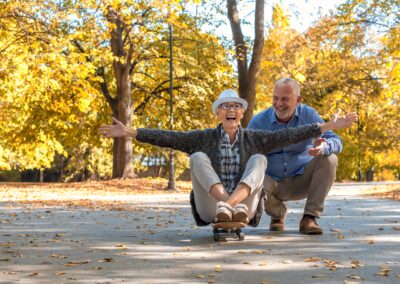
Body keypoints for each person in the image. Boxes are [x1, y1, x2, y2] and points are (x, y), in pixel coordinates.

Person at [100, 89, 357, 228]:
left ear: (242, 114)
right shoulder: (203, 137)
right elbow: (169, 137)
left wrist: (326, 126)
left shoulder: (255, 137)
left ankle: (232, 205)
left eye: (236, 106)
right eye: (225, 106)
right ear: (218, 113)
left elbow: (293, 134)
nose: (231, 110)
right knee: (198, 156)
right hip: (212, 206)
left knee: (259, 159)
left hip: (245, 207)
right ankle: (226, 204)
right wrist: (131, 132)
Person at [248, 77, 346, 234]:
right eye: (275, 98)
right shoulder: (258, 122)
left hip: (302, 179)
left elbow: (336, 141)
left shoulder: (308, 114)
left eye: (285, 99)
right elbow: (245, 154)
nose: (279, 103)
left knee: (330, 158)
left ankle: (309, 218)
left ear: (298, 100)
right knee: (251, 178)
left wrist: (323, 146)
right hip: (272, 182)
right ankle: (277, 214)